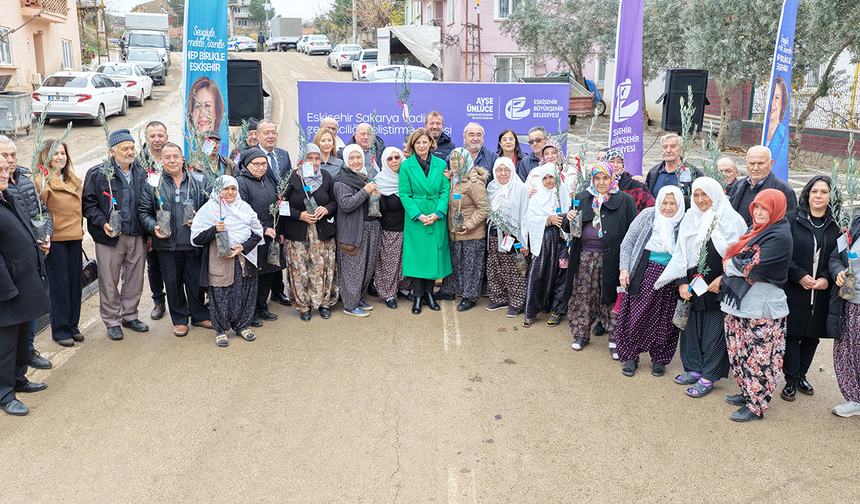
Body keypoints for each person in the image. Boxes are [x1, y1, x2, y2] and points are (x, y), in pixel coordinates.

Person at [657, 177, 747, 398]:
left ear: (715, 194)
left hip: (718, 286)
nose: (700, 200)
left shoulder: (732, 220)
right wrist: (681, 282)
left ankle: (709, 376)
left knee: (714, 333)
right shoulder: (690, 218)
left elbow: (742, 257)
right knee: (692, 330)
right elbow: (680, 253)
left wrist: (724, 279)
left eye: (704, 194)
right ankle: (694, 368)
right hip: (693, 286)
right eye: (696, 195)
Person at [720, 189, 792, 422]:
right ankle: (748, 392)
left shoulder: (779, 235)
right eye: (757, 208)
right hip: (741, 304)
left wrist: (730, 264)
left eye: (765, 209)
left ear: (776, 210)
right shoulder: (755, 231)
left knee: (760, 357)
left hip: (762, 307)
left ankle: (757, 405)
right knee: (739, 350)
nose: (759, 213)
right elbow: (742, 259)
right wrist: (736, 262)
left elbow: (752, 267)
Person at [82, 128, 149, 341]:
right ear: (113, 151)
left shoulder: (141, 171)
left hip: (136, 233)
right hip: (109, 237)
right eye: (125, 149)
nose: (130, 152)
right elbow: (88, 204)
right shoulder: (98, 173)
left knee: (135, 278)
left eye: (132, 148)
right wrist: (102, 223)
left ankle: (129, 316)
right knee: (109, 280)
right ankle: (112, 321)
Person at [564, 162, 637, 358]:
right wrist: (567, 218)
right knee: (583, 297)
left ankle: (615, 339)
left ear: (612, 178)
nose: (601, 182)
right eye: (597, 178)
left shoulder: (625, 200)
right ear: (592, 179)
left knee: (611, 299)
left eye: (606, 178)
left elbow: (633, 233)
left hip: (612, 259)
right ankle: (581, 335)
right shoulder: (581, 198)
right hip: (585, 258)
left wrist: (628, 264)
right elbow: (570, 228)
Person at [138, 142, 211, 337]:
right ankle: (179, 319)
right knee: (172, 281)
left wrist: (200, 216)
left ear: (182, 158)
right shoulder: (153, 182)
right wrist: (152, 226)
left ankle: (199, 315)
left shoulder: (198, 180)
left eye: (176, 156)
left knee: (196, 281)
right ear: (161, 160)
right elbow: (144, 211)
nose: (172, 160)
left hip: (193, 241)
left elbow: (210, 206)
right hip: (166, 243)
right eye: (167, 157)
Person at [615, 186, 685, 377]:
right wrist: (624, 268)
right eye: (665, 202)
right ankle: (630, 356)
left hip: (671, 276)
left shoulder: (684, 221)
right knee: (636, 315)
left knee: (666, 319)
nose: (668, 207)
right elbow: (627, 242)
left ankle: (660, 358)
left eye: (673, 203)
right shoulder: (648, 215)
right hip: (644, 270)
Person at [782, 176, 840, 401]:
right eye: (814, 191)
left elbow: (842, 257)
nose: (818, 196)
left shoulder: (838, 223)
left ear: (831, 196)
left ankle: (802, 375)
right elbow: (782, 253)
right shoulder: (791, 220)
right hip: (795, 287)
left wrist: (827, 277)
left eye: (824, 192)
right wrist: (798, 275)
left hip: (822, 290)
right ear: (807, 193)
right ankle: (790, 379)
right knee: (792, 334)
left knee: (812, 336)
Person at [0, 158, 50, 416]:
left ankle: (19, 378)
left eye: (5, 170)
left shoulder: (8, 196)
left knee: (21, 341)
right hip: (6, 290)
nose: (5, 174)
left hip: (24, 282)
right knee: (5, 346)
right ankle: (5, 393)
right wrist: (6, 289)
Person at [191, 176, 262, 347]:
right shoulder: (210, 209)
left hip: (243, 258)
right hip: (219, 259)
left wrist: (242, 247)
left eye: (233, 189)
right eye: (225, 189)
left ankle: (242, 325)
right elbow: (197, 238)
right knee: (220, 295)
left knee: (244, 291)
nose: (229, 192)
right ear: (218, 191)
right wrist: (214, 229)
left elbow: (257, 232)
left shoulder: (244, 208)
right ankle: (220, 330)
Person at [34, 141, 84, 348]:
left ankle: (73, 325)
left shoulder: (72, 178)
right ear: (46, 157)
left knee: (74, 284)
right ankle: (60, 329)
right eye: (55, 154)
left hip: (75, 237)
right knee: (58, 287)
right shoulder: (41, 180)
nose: (60, 157)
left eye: (63, 153)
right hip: (55, 240)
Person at [281, 144, 339, 321]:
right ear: (303, 159)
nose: (314, 162)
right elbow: (281, 205)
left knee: (322, 269)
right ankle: (304, 306)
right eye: (310, 158)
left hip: (322, 234)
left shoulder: (326, 177)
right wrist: (300, 215)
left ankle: (323, 303)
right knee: (300, 270)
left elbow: (334, 202)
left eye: (317, 158)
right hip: (298, 234)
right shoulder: (293, 177)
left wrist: (326, 210)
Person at [399, 128, 451, 314]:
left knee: (432, 257)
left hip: (436, 215)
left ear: (431, 143)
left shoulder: (440, 163)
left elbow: (445, 191)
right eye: (417, 142)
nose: (421, 145)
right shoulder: (406, 166)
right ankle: (418, 296)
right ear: (413, 145)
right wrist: (419, 215)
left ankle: (430, 293)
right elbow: (404, 194)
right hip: (416, 218)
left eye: (425, 142)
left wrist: (438, 213)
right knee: (418, 257)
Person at [236, 146, 287, 327]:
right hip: (252, 236)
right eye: (256, 164)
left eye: (263, 163)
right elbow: (241, 211)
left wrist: (278, 231)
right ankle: (251, 311)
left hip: (271, 235)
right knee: (252, 274)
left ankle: (262, 306)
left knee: (267, 271)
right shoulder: (241, 182)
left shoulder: (269, 180)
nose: (260, 167)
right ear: (247, 165)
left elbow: (278, 208)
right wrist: (263, 228)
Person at [435, 148, 488, 312]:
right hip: (454, 233)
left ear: (467, 161)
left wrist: (469, 225)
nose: (455, 163)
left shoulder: (474, 183)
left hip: (471, 234)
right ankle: (449, 290)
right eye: (452, 160)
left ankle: (469, 296)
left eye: (459, 160)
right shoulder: (452, 180)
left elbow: (484, 209)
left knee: (471, 267)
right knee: (455, 264)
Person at [335, 144, 383, 317]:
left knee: (367, 268)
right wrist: (366, 191)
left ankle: (359, 298)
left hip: (371, 229)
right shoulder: (342, 181)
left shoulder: (364, 177)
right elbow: (346, 205)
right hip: (353, 232)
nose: (356, 161)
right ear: (346, 160)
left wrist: (375, 194)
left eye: (358, 157)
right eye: (352, 158)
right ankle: (350, 304)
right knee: (353, 270)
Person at [522, 164, 570, 327]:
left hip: (562, 242)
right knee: (538, 274)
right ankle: (532, 310)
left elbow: (572, 213)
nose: (549, 181)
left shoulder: (563, 193)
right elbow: (529, 218)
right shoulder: (536, 197)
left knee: (561, 275)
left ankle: (557, 310)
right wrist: (548, 220)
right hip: (544, 241)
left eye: (552, 177)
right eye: (545, 178)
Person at [485, 157, 530, 318]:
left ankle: (517, 303)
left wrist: (524, 242)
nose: (503, 174)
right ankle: (499, 298)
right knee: (495, 268)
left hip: (514, 237)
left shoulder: (521, 189)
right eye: (499, 170)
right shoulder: (491, 187)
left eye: (507, 170)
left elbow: (525, 216)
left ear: (512, 171)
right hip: (494, 235)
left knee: (515, 270)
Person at [256, 119, 292, 307]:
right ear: (258, 135)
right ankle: (259, 300)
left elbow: (288, 183)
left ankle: (278, 291)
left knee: (278, 249)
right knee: (263, 256)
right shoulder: (250, 155)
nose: (270, 136)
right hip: (261, 212)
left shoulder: (283, 155)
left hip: (281, 213)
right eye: (266, 133)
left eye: (273, 132)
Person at [829, 212, 860, 417]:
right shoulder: (854, 225)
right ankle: (855, 398)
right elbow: (835, 257)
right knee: (847, 351)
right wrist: (839, 270)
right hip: (850, 303)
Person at [137, 121, 168, 320]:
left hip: (173, 221)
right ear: (146, 138)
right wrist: (148, 231)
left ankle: (181, 300)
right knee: (154, 264)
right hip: (150, 221)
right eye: (152, 136)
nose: (156, 139)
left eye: (160, 135)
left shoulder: (174, 157)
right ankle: (158, 300)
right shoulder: (139, 163)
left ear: (166, 136)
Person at [374, 146, 412, 308]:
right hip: (390, 230)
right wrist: (375, 197)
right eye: (390, 159)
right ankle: (388, 294)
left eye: (397, 157)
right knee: (389, 264)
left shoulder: (408, 178)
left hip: (410, 228)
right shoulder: (379, 182)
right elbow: (379, 211)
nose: (394, 161)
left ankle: (403, 288)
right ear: (384, 161)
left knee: (406, 261)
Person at [730, 145, 798, 226]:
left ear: (771, 164)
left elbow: (791, 223)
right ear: (746, 163)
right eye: (752, 163)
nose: (755, 168)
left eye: (760, 163)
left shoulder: (784, 190)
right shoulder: (738, 186)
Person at [644, 134, 703, 199]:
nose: (668, 150)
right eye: (665, 147)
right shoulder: (653, 172)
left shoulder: (694, 173)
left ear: (680, 150)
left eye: (673, 146)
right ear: (661, 151)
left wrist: (684, 199)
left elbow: (701, 199)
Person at [604, 147, 654, 213]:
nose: (615, 165)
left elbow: (652, 209)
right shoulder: (599, 183)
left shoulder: (635, 185)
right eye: (612, 161)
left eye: (619, 162)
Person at [764, 75, 789, 172]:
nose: (773, 102)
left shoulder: (784, 134)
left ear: (783, 103)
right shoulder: (763, 131)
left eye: (777, 98)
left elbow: (780, 167)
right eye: (771, 97)